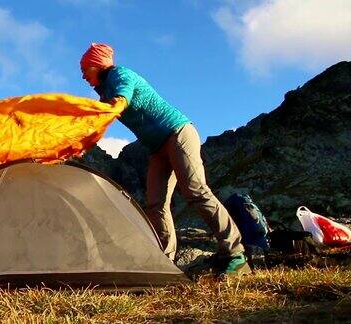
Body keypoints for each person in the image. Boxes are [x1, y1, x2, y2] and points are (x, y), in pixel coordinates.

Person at [79, 43, 250, 276]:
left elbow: (124, 96)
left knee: (195, 190)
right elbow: (99, 120)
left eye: (85, 69)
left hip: (177, 132)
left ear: (96, 64)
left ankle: (235, 253)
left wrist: (114, 104)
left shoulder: (120, 75)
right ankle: (165, 264)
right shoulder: (105, 92)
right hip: (157, 148)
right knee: (155, 203)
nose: (83, 76)